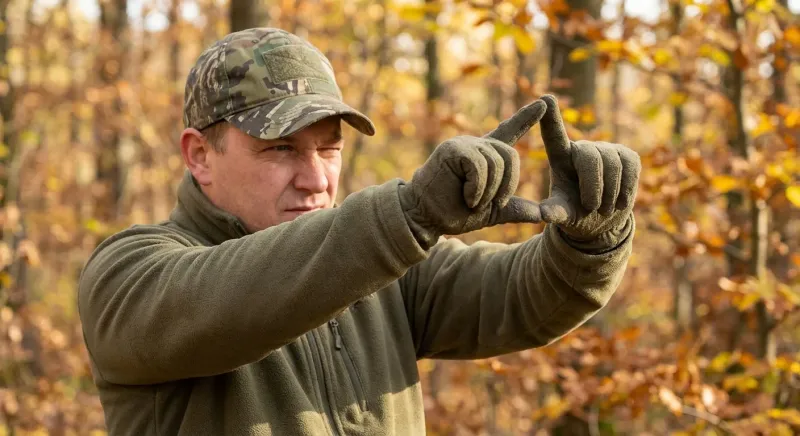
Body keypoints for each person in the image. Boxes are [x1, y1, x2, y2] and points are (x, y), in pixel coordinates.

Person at [78, 27, 640, 436]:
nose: (316, 178)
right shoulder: (128, 276)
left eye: (329, 148)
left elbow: (523, 297)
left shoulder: (380, 265)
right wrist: (409, 215)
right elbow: (230, 297)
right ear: (200, 154)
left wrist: (590, 238)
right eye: (281, 148)